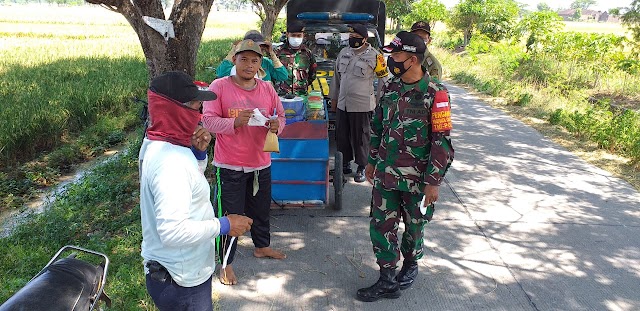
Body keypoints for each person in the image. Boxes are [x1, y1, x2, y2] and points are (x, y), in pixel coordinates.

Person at [138, 71, 253, 310]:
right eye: (194, 106)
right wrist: (225, 225)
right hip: (181, 280)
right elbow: (173, 231)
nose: (199, 114)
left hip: (174, 270)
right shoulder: (171, 161)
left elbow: (186, 186)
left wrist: (199, 155)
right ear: (172, 109)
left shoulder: (158, 142)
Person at [356, 31, 454, 302]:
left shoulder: (436, 94)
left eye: (396, 56)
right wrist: (372, 161)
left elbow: (442, 142)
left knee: (414, 227)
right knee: (380, 225)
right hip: (386, 175)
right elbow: (378, 127)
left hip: (418, 179)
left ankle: (410, 265)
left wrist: (433, 182)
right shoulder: (390, 88)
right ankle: (387, 278)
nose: (391, 60)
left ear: (412, 60)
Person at [202, 40, 287, 286]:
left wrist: (276, 126)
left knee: (261, 211)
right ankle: (226, 264)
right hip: (230, 166)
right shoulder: (219, 87)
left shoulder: (268, 89)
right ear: (235, 61)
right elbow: (208, 121)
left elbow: (280, 116)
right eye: (244, 60)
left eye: (254, 60)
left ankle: (262, 246)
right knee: (230, 217)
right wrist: (234, 123)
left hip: (260, 164)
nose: (249, 65)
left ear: (261, 64)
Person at [329, 23, 388, 183]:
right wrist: (334, 99)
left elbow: (385, 80)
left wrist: (379, 100)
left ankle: (362, 167)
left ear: (364, 39)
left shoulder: (376, 56)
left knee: (361, 137)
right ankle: (345, 164)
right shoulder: (343, 52)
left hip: (362, 105)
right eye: (350, 37)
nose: (352, 39)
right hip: (343, 103)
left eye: (356, 37)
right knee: (341, 136)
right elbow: (336, 78)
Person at [216, 30, 288, 84]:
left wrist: (272, 54)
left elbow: (283, 76)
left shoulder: (265, 62)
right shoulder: (237, 63)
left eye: (260, 48)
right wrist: (235, 50)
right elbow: (221, 74)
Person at [274, 20, 317, 96]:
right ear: (287, 34)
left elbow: (312, 75)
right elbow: (271, 72)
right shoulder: (277, 52)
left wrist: (301, 85)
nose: (296, 38)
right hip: (281, 97)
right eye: (293, 35)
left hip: (301, 96)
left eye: (299, 35)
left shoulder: (308, 54)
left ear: (303, 35)